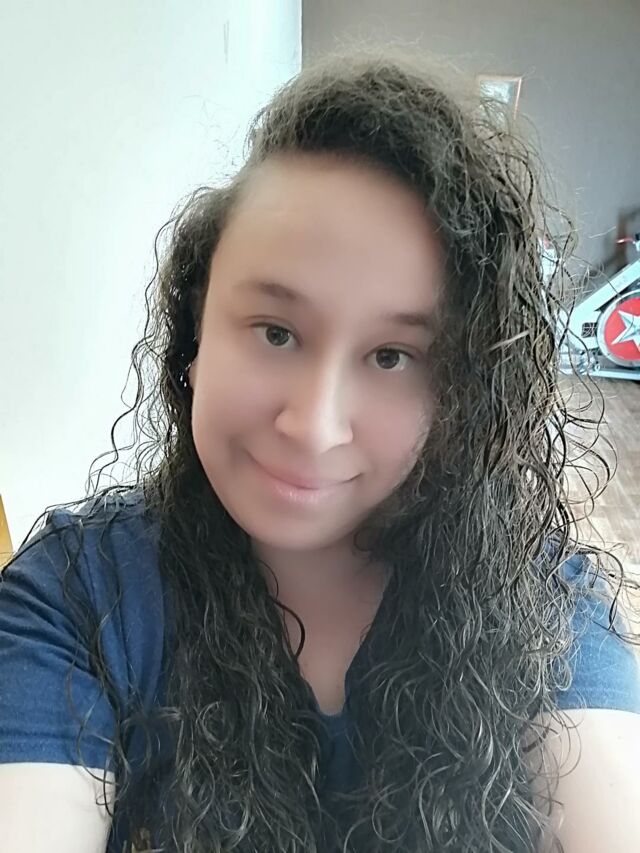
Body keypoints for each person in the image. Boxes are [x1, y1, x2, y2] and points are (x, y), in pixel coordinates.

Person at [1, 44, 639, 853]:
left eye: (391, 356)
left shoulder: (543, 608)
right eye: (277, 332)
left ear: (461, 389)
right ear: (195, 333)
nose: (313, 423)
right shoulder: (75, 601)